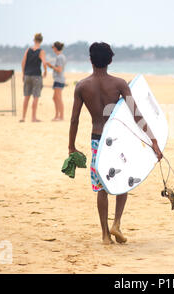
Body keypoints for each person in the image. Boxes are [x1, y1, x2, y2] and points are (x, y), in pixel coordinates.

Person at [68, 42, 163, 244]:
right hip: (118, 140)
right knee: (123, 179)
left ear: (90, 60)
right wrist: (153, 140)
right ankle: (117, 223)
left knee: (101, 187)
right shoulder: (119, 84)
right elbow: (136, 114)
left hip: (97, 140)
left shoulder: (82, 86)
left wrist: (71, 146)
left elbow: (74, 119)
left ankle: (104, 234)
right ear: (110, 60)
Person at [20, 33, 47, 122]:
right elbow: (44, 62)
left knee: (26, 97)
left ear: (34, 40)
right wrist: (45, 71)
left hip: (27, 75)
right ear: (41, 41)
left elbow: (23, 62)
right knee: (35, 96)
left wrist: (23, 73)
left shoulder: (28, 50)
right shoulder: (41, 51)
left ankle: (23, 117)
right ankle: (33, 117)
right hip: (36, 76)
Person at [47, 41, 66, 121]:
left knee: (58, 98)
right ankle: (57, 115)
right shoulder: (60, 57)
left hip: (59, 79)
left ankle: (60, 116)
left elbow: (59, 69)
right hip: (58, 79)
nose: (53, 49)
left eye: (53, 48)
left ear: (55, 48)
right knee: (55, 98)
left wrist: (51, 66)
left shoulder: (60, 57)